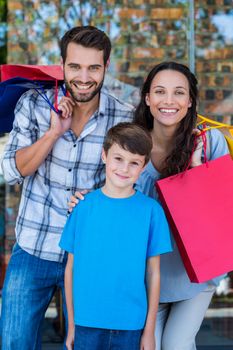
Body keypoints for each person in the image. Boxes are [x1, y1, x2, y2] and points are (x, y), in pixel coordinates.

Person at [0, 26, 134, 349]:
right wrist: (52, 134)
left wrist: (99, 199)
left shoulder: (124, 116)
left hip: (89, 254)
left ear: (106, 66)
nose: (83, 77)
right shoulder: (34, 104)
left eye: (93, 68)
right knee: (13, 343)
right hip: (34, 247)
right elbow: (9, 171)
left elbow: (130, 186)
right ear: (62, 65)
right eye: (75, 67)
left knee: (86, 344)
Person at [134, 61, 229, 350]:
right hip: (148, 275)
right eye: (160, 92)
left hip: (197, 273)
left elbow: (222, 209)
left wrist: (197, 166)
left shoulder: (209, 141)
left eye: (178, 93)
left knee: (177, 344)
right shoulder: (131, 146)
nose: (169, 101)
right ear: (148, 98)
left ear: (190, 101)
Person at [60, 122, 172, 350]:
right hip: (86, 323)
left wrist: (149, 331)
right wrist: (71, 324)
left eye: (134, 163)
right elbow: (70, 269)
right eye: (118, 159)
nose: (124, 169)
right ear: (104, 155)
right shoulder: (83, 208)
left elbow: (154, 273)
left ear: (144, 166)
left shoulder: (152, 211)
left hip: (131, 325)